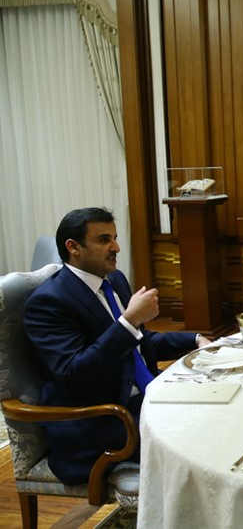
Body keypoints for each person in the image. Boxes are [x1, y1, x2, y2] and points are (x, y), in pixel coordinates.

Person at [23, 207, 210, 485]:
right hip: (100, 421)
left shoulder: (114, 280)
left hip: (142, 398)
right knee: (201, 438)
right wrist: (129, 320)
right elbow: (75, 373)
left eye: (115, 238)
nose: (116, 248)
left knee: (219, 405)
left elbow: (139, 342)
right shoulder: (49, 302)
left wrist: (195, 340)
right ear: (73, 247)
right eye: (104, 240)